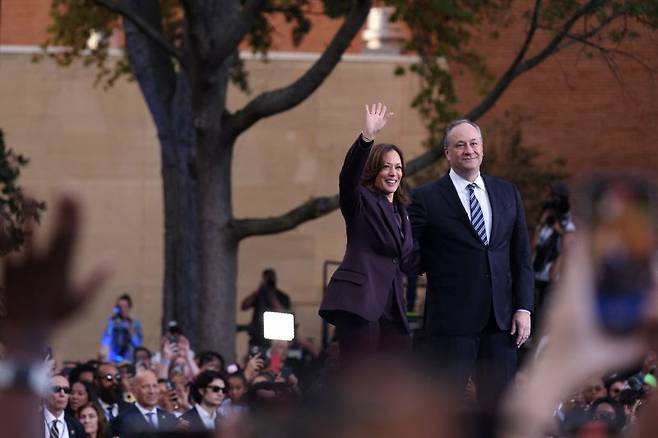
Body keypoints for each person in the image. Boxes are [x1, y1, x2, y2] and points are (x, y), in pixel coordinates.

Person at [408, 119, 534, 408]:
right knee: (445, 410)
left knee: (499, 410)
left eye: (474, 143)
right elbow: (409, 254)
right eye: (460, 144)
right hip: (451, 324)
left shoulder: (507, 192)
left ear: (482, 149)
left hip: (501, 324)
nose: (469, 150)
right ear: (447, 153)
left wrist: (523, 308)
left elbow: (521, 257)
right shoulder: (425, 198)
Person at [319, 103, 415, 360]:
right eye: (386, 166)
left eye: (398, 167)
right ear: (374, 171)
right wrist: (367, 138)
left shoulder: (403, 211)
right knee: (361, 381)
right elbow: (348, 177)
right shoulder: (360, 201)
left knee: (396, 380)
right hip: (361, 304)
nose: (393, 173)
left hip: (393, 307)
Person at [110, 370, 178, 438]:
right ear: (134, 392)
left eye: (155, 386)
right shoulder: (122, 421)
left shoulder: (170, 418)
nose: (152, 391)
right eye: (145, 386)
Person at [241, 268, 292, 347]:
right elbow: (244, 306)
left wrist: (271, 295)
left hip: (275, 338)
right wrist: (257, 291)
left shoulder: (282, 296)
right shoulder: (259, 294)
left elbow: (284, 312)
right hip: (257, 338)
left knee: (275, 359)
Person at [100, 293, 143, 363]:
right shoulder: (112, 323)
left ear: (129, 307)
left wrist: (130, 329)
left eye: (125, 307)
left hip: (129, 360)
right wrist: (111, 324)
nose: (122, 309)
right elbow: (105, 342)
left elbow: (138, 343)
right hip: (113, 360)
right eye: (120, 307)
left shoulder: (135, 323)